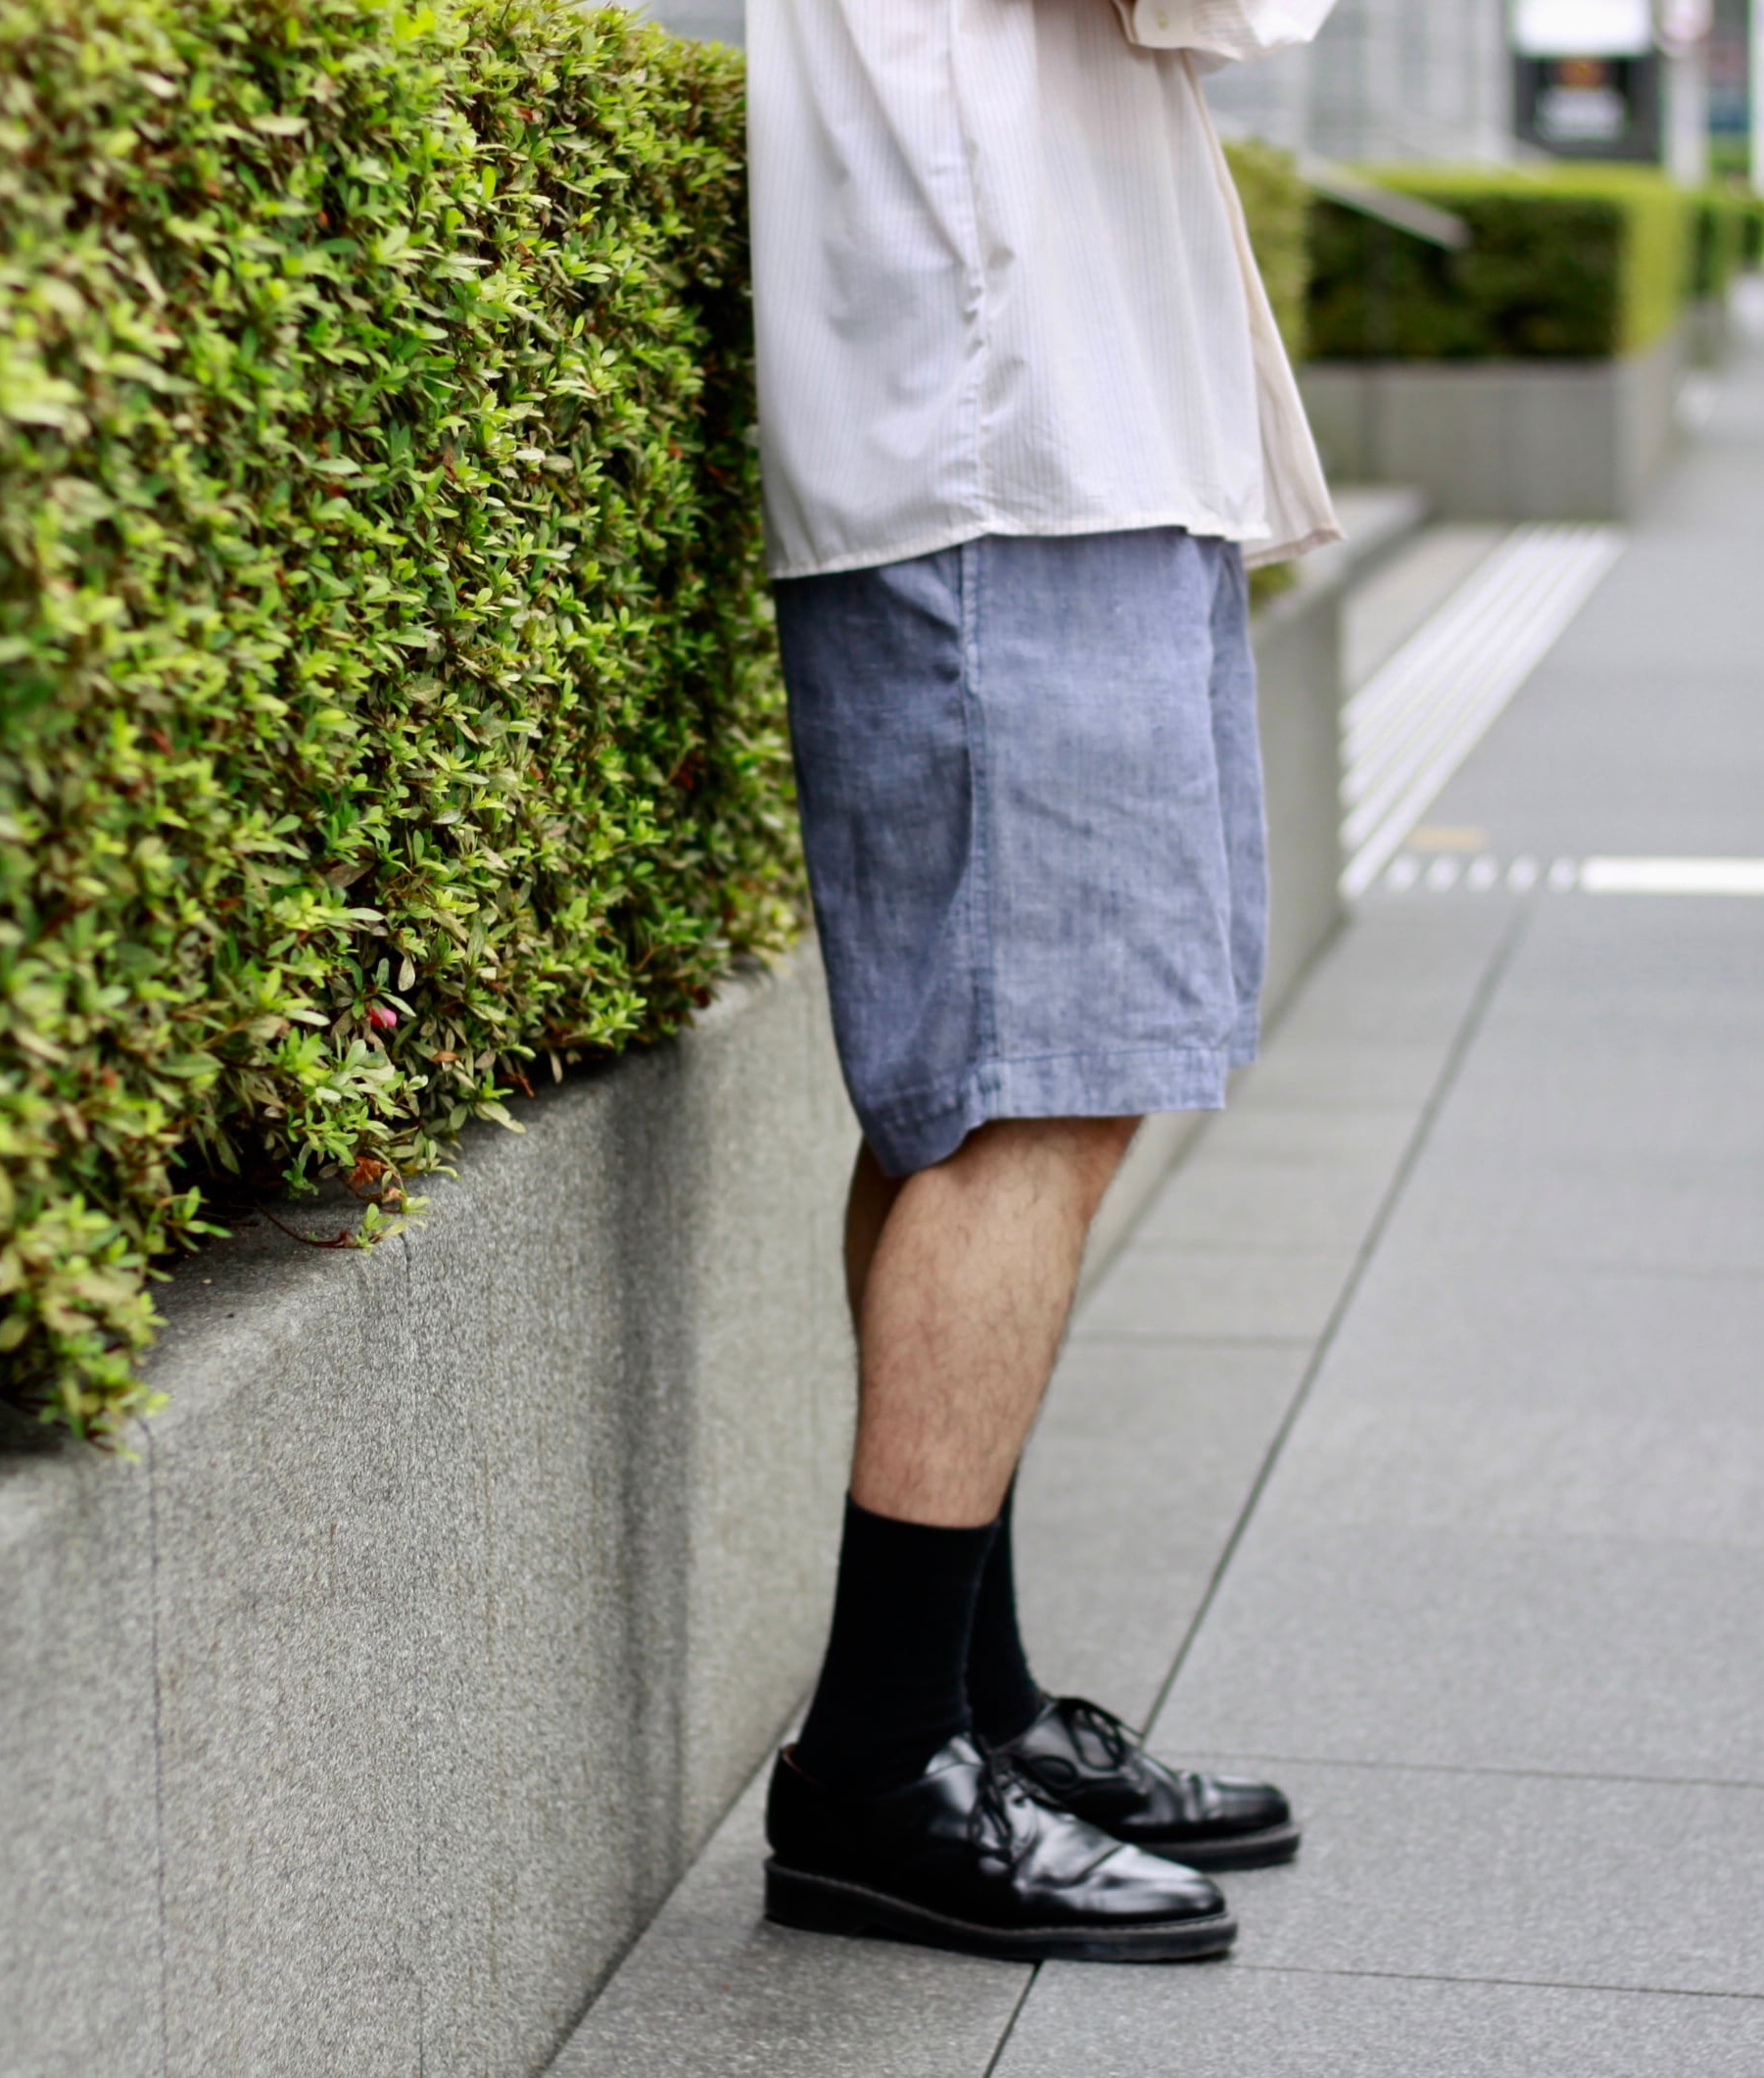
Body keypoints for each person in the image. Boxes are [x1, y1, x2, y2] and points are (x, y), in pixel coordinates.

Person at [748, 0, 1342, 1963]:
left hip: (1039, 404)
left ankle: (964, 1709)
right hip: (1015, 423)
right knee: (1029, 1087)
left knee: (971, 1091)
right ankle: (880, 1755)